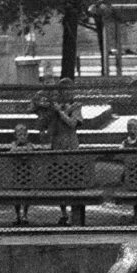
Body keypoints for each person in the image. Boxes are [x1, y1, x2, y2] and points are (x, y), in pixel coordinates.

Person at [43, 78, 82, 225]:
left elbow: (72, 123)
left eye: (69, 89)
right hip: (58, 143)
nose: (66, 93)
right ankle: (63, 213)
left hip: (71, 143)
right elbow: (46, 123)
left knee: (72, 178)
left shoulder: (76, 105)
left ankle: (74, 213)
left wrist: (62, 112)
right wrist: (53, 111)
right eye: (63, 90)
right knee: (59, 179)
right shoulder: (54, 106)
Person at [7, 123, 37, 225]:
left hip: (27, 173)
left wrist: (20, 150)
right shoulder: (13, 144)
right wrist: (19, 149)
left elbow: (30, 150)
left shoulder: (29, 145)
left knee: (26, 195)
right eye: (19, 135)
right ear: (16, 136)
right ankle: (17, 215)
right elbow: (12, 151)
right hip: (17, 174)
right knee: (16, 195)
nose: (22, 137)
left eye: (24, 134)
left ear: (27, 135)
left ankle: (25, 214)